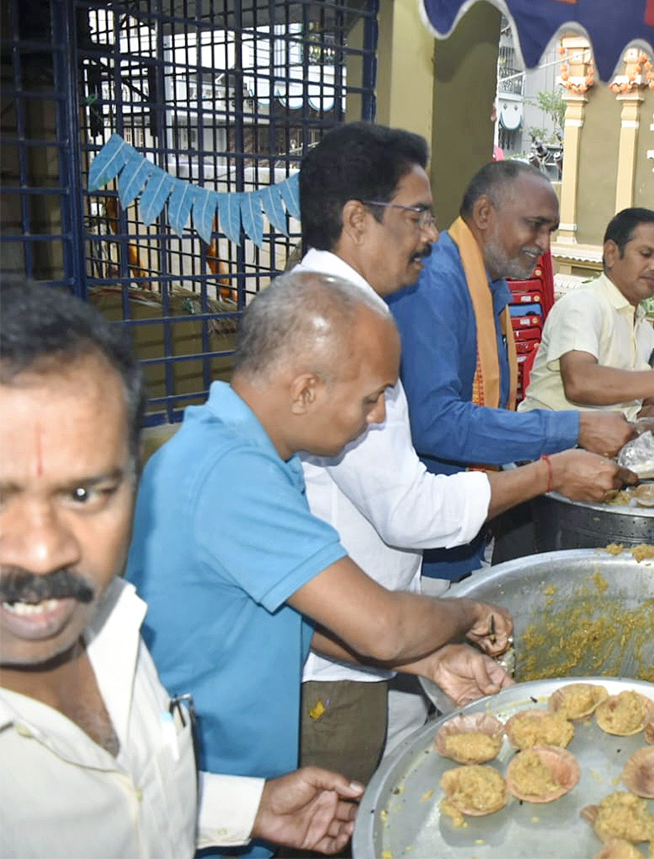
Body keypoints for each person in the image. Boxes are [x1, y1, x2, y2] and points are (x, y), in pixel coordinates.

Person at [126, 273, 515, 857]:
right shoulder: (230, 474)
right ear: (305, 390)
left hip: (238, 798)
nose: (379, 416)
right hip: (193, 804)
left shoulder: (253, 454)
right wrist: (465, 614)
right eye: (370, 397)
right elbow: (382, 627)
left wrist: (430, 658)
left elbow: (291, 619)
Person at [291, 123, 625, 782]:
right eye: (415, 215)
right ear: (358, 220)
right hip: (340, 643)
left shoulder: (361, 303)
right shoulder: (344, 322)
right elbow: (423, 471)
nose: (429, 234)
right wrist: (555, 461)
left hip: (376, 617)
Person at [0, 282, 362, 857]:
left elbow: (128, 793)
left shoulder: (117, 628)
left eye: (84, 492)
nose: (45, 553)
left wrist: (248, 807)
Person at [387, 160, 634, 582]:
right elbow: (436, 424)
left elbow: (492, 407)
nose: (543, 243)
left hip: (464, 530)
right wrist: (572, 429)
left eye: (551, 230)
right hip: (422, 545)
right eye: (535, 225)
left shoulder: (489, 285)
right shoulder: (435, 282)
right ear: (484, 214)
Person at [519, 207, 654, 419]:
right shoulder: (583, 305)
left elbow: (642, 415)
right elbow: (580, 382)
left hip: (604, 452)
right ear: (612, 253)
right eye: (646, 254)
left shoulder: (643, 328)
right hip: (548, 451)